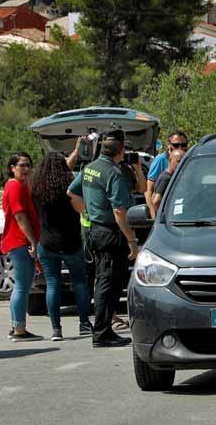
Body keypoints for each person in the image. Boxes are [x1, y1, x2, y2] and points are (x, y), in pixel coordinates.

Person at [68, 131, 140, 347]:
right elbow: (119, 211)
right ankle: (102, 332)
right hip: (110, 233)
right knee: (108, 284)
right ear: (120, 151)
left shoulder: (89, 168)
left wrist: (88, 213)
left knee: (103, 281)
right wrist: (132, 241)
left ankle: (104, 329)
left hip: (94, 232)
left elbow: (72, 193)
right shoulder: (114, 173)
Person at [32, 153, 92, 340]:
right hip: (71, 241)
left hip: (47, 242)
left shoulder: (36, 188)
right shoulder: (70, 186)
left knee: (52, 284)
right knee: (80, 282)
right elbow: (81, 209)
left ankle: (56, 329)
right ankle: (84, 323)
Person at [1, 152, 42, 342]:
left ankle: (16, 325)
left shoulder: (19, 185)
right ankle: (19, 328)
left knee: (22, 286)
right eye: (22, 165)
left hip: (19, 241)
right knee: (22, 286)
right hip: (19, 241)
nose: (26, 169)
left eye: (28, 165)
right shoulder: (15, 186)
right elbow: (20, 216)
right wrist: (33, 240)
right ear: (12, 168)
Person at [146, 130, 189, 195]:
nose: (180, 148)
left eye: (183, 145)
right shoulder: (160, 160)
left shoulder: (189, 159)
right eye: (176, 145)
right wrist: (151, 205)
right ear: (168, 145)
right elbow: (149, 190)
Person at [149, 146, 186, 218]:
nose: (181, 164)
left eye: (183, 162)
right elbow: (156, 201)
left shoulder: (171, 176)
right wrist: (165, 216)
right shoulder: (166, 178)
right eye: (178, 161)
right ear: (170, 160)